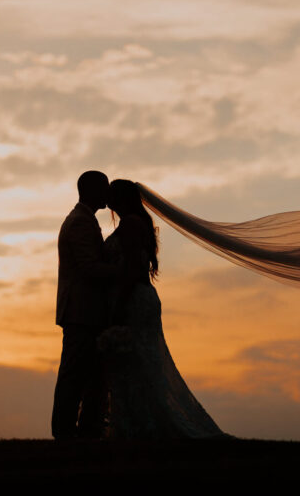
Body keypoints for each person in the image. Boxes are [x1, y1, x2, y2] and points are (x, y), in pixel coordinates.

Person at [98, 179, 226, 439]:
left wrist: (119, 307)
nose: (106, 198)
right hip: (137, 297)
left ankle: (146, 424)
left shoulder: (131, 224)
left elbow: (133, 268)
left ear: (120, 199)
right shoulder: (135, 223)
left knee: (140, 362)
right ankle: (136, 422)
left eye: (111, 194)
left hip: (134, 299)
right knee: (139, 362)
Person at [51, 170, 120, 440]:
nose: (108, 194)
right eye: (104, 188)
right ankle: (65, 431)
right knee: (74, 372)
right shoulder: (80, 222)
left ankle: (86, 429)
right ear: (91, 190)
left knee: (91, 374)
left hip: (86, 310)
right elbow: (88, 268)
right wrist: (121, 270)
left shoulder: (84, 219)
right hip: (81, 311)